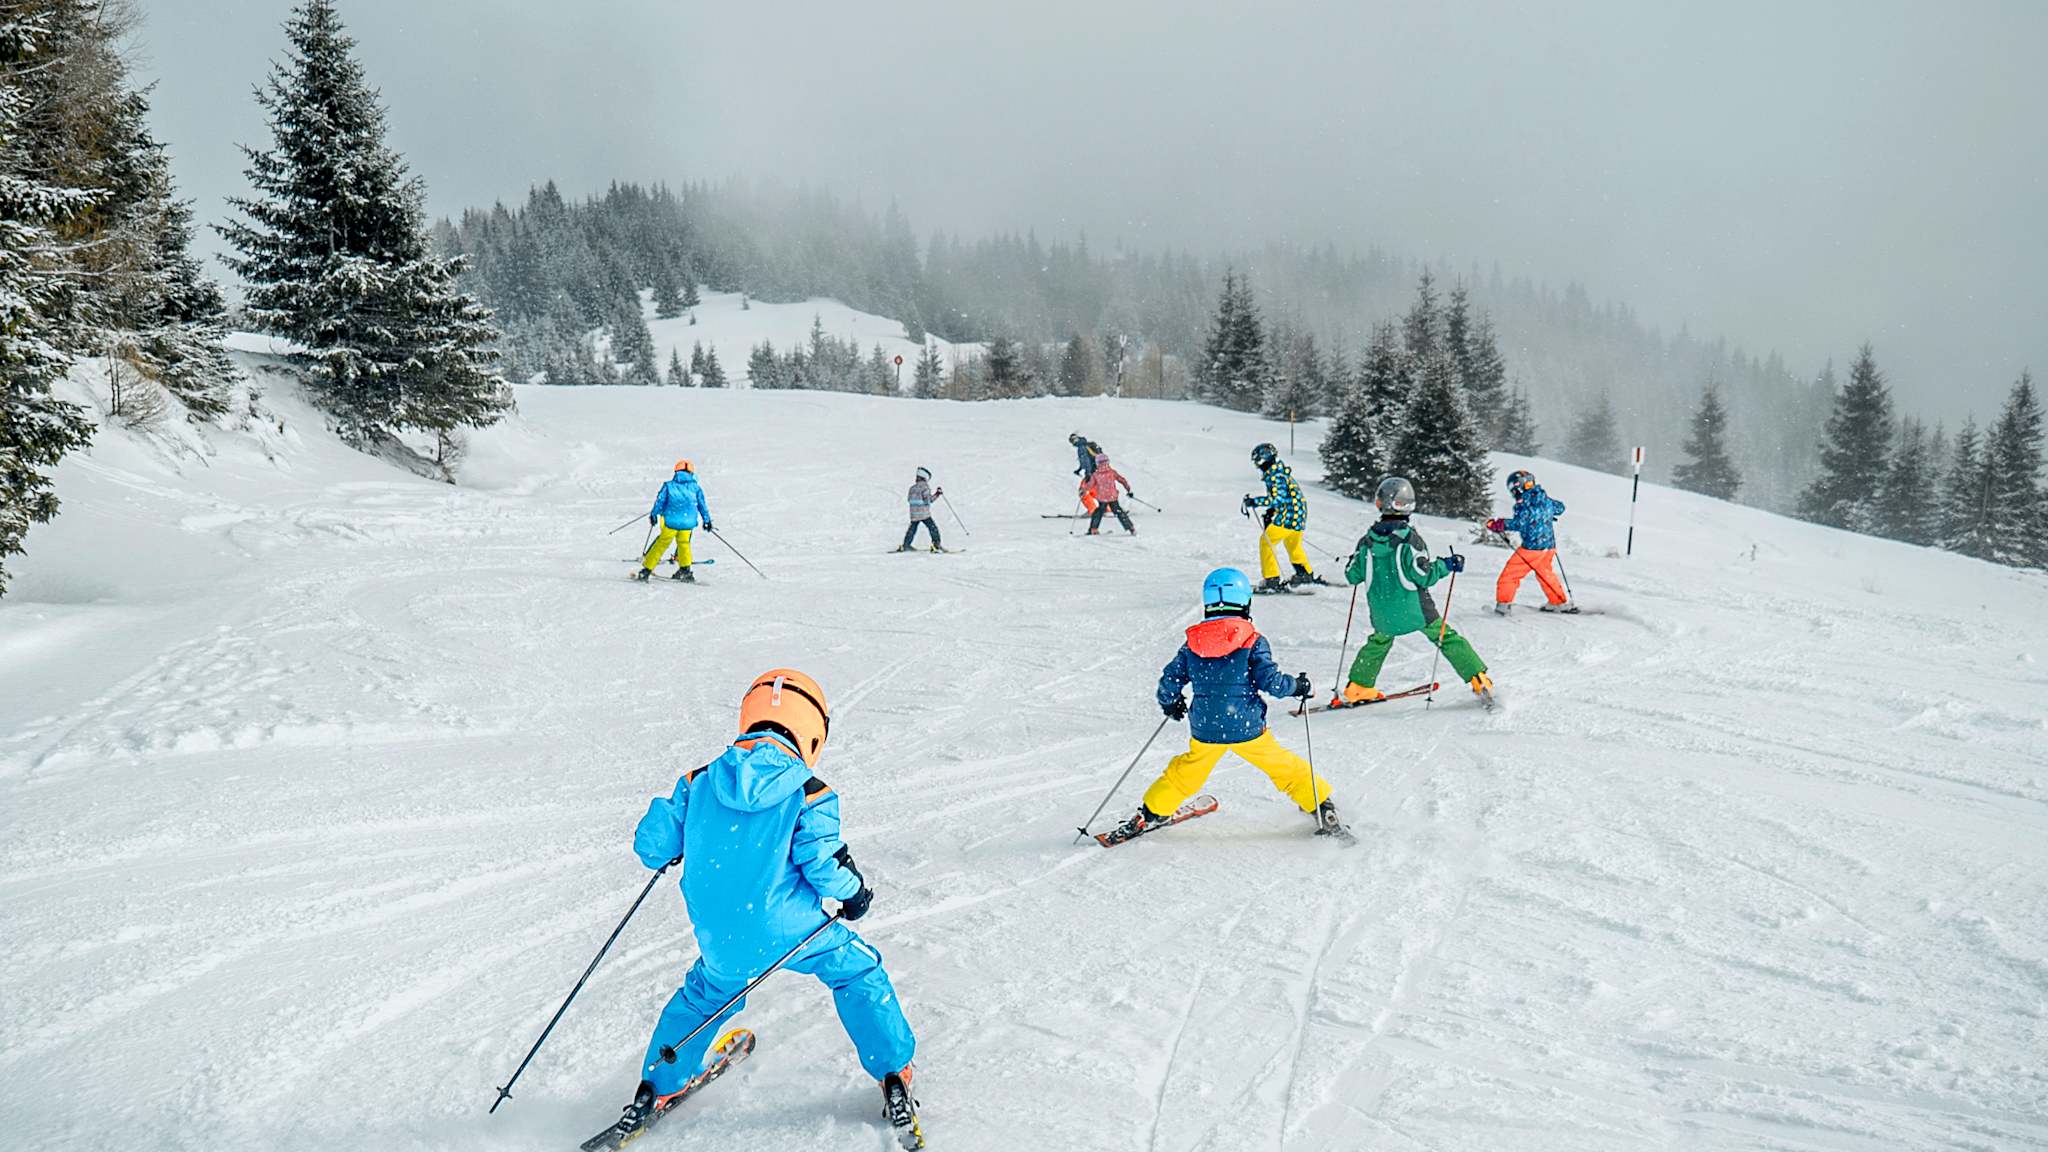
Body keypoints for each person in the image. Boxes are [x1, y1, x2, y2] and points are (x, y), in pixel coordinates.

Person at [618, 669, 923, 1148]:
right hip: (793, 929)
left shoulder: (699, 781)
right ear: (811, 733)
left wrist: (680, 825)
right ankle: (892, 1070)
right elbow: (823, 865)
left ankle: (654, 1088)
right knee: (856, 972)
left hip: (721, 934)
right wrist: (854, 893)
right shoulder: (810, 791)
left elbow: (651, 847)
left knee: (704, 996)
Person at [1106, 568, 1340, 842]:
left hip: (1206, 727)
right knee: (1284, 768)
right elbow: (1271, 682)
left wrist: (1170, 702)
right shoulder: (1252, 640)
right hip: (1247, 727)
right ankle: (1322, 807)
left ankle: (1152, 811)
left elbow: (1170, 678)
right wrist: (1298, 686)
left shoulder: (1192, 643)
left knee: (1186, 773)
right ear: (1245, 602)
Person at [1332, 476, 1494, 706]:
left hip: (1382, 612)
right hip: (1415, 609)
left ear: (1380, 504)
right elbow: (1424, 575)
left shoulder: (1366, 542)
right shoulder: (1410, 540)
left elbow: (1352, 575)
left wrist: (1354, 561)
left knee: (1378, 643)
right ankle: (1480, 680)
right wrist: (1447, 565)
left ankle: (1358, 687)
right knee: (1446, 638)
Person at [1486, 470, 1574, 614]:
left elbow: (1520, 523)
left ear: (1518, 487)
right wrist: (1545, 515)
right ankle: (1558, 602)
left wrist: (1499, 524)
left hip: (1532, 548)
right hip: (1548, 547)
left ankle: (1503, 605)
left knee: (1510, 575)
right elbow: (1560, 508)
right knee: (1544, 573)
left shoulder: (1524, 504)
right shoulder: (1544, 499)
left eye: (1513, 488)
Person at [1242, 442, 1325, 592]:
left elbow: (1276, 498)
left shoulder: (1275, 476)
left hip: (1289, 515)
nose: (1257, 465)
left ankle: (1272, 579)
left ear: (1264, 459)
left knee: (1266, 542)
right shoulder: (1279, 473)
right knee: (1293, 544)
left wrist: (1255, 502)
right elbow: (1283, 498)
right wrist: (1272, 511)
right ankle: (1304, 574)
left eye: (1257, 461)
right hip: (1298, 515)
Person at [636, 460, 712, 583]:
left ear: (676, 472)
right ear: (691, 473)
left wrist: (654, 515)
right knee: (684, 544)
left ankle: (646, 570)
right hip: (688, 523)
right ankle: (685, 571)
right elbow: (702, 505)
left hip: (671, 521)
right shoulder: (696, 488)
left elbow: (660, 501)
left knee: (661, 544)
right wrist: (707, 520)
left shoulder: (668, 485)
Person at [1085, 450, 1137, 535]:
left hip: (1102, 498)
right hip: (1112, 496)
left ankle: (1093, 529)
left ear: (1097, 463)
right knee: (1118, 511)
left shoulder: (1096, 475)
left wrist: (1083, 490)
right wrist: (1128, 489)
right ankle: (1131, 528)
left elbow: (1090, 485)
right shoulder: (1112, 472)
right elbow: (1122, 480)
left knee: (1098, 512)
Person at [897, 467, 944, 553]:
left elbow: (909, 500)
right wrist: (937, 494)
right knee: (933, 528)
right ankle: (936, 545)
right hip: (924, 514)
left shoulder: (912, 488)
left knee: (912, 529)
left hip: (914, 514)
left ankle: (906, 545)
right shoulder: (925, 487)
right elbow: (928, 500)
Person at [1069, 433, 1101, 515]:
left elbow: (1086, 461)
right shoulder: (1087, 445)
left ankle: (1092, 510)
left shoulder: (1081, 448)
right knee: (1096, 491)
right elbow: (1088, 459)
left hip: (1092, 472)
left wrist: (1088, 474)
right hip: (1098, 471)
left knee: (1083, 491)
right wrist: (1079, 469)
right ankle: (1107, 509)